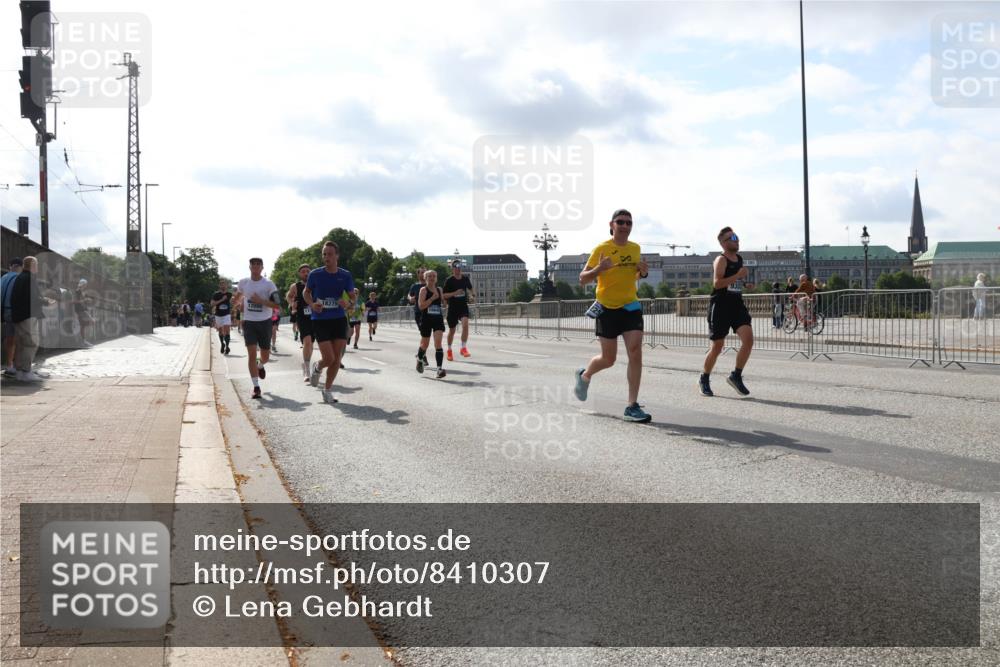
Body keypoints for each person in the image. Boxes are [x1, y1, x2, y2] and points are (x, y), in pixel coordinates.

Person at [573, 209, 652, 423]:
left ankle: (632, 406)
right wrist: (599, 268)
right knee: (608, 359)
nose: (625, 226)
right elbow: (582, 279)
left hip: (630, 306)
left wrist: (643, 272)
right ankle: (585, 375)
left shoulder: (635, 248)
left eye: (629, 223)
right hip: (607, 308)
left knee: (635, 352)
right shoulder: (602, 248)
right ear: (612, 225)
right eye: (621, 222)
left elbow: (633, 275)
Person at [700, 227, 754, 397]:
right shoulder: (721, 260)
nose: (737, 240)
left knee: (748, 340)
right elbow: (717, 283)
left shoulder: (739, 259)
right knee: (717, 346)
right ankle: (704, 378)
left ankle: (736, 375)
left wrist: (745, 284)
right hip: (720, 306)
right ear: (723, 243)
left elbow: (735, 281)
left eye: (737, 237)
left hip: (737, 305)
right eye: (732, 238)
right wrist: (738, 275)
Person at [304, 241, 355, 403]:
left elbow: (352, 297)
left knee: (337, 358)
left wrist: (348, 303)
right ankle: (318, 366)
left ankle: (327, 390)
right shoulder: (315, 274)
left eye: (330, 254)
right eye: (324, 254)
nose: (327, 257)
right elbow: (306, 292)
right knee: (329, 358)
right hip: (320, 319)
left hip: (338, 319)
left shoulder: (345, 275)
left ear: (337, 256)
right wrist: (312, 304)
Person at [233, 258, 281, 400]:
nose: (255, 266)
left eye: (258, 264)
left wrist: (261, 301)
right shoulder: (243, 283)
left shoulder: (269, 284)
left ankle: (260, 366)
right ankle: (256, 387)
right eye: (253, 264)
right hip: (249, 323)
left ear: (262, 267)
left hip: (265, 322)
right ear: (249, 267)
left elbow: (277, 304)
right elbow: (237, 298)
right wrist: (237, 304)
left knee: (265, 356)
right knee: (252, 354)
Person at [9, 256, 54, 382]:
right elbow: (33, 298)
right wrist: (46, 301)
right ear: (33, 265)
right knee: (31, 343)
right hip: (28, 316)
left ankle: (19, 372)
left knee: (21, 344)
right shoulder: (30, 278)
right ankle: (26, 371)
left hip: (18, 316)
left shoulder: (20, 277)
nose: (37, 267)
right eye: (36, 264)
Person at [416, 270, 447, 378]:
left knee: (438, 343)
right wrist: (432, 298)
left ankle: (439, 369)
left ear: (436, 278)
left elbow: (443, 303)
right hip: (426, 319)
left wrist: (444, 302)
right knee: (425, 344)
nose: (432, 278)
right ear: (425, 278)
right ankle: (419, 359)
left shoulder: (439, 289)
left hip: (438, 318)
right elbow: (421, 306)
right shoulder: (423, 290)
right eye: (429, 276)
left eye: (434, 276)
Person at [286, 264, 315, 382]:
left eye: (308, 271)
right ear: (299, 274)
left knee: (311, 344)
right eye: (303, 271)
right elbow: (288, 297)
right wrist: (292, 304)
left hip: (315, 316)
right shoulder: (295, 286)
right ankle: (307, 370)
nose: (306, 273)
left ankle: (305, 364)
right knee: (307, 341)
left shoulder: (315, 283)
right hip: (302, 317)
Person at [443, 259, 475, 360]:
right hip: (452, 308)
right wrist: (455, 293)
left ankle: (463, 348)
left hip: (463, 307)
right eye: (456, 267)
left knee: (465, 325)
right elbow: (444, 295)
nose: (458, 269)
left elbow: (471, 289)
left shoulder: (465, 279)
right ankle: (449, 350)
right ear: (452, 269)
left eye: (459, 267)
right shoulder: (449, 280)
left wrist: (472, 296)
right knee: (452, 331)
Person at [2, 257, 24, 376]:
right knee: (20, 339)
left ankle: (9, 364)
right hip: (17, 312)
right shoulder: (19, 278)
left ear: (10, 266)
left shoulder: (4, 277)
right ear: (21, 267)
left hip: (6, 312)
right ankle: (17, 365)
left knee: (9, 338)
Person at [211, 279, 234, 354]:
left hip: (226, 314)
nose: (223, 286)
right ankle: (222, 344)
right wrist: (221, 300)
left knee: (227, 330)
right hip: (218, 314)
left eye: (224, 284)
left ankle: (227, 346)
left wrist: (233, 303)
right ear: (219, 286)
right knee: (220, 331)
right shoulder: (216, 294)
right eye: (221, 284)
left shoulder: (229, 294)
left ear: (227, 286)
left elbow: (234, 301)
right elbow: (212, 304)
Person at [73, 278, 95, 347]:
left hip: (83, 310)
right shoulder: (78, 291)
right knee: (91, 321)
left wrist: (87, 300)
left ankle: (83, 341)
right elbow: (76, 301)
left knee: (83, 326)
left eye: (86, 285)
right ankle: (83, 341)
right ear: (82, 284)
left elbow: (83, 300)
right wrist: (85, 300)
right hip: (80, 310)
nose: (86, 286)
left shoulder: (82, 292)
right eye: (85, 284)